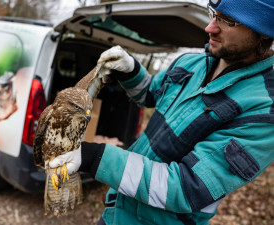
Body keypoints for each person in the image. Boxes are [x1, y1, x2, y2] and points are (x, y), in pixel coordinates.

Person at [50, 0, 274, 224]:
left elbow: (187, 188)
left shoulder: (264, 110)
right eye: (213, 14)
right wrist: (132, 71)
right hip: (117, 210)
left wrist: (96, 157)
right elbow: (149, 93)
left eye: (229, 21)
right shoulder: (191, 63)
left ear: (264, 32)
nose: (210, 27)